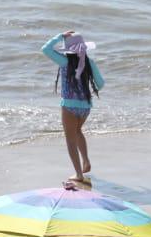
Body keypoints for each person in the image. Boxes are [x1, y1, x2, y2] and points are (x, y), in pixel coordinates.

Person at [41, 30, 104, 188]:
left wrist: (59, 36)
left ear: (68, 50)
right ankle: (86, 161)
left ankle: (78, 174)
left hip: (69, 106)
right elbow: (101, 84)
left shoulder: (64, 62)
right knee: (78, 132)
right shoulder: (89, 63)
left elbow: (45, 49)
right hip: (85, 107)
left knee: (70, 139)